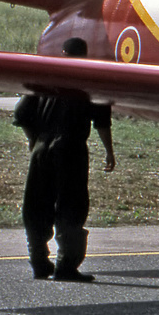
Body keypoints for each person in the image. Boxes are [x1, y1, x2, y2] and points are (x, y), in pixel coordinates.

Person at [14, 38, 116, 281]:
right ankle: (66, 265)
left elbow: (21, 113)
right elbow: (101, 121)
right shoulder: (90, 79)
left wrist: (33, 140)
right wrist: (109, 151)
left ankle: (39, 262)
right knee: (71, 205)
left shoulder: (47, 76)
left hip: (41, 147)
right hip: (70, 148)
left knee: (37, 203)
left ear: (63, 53)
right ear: (85, 55)